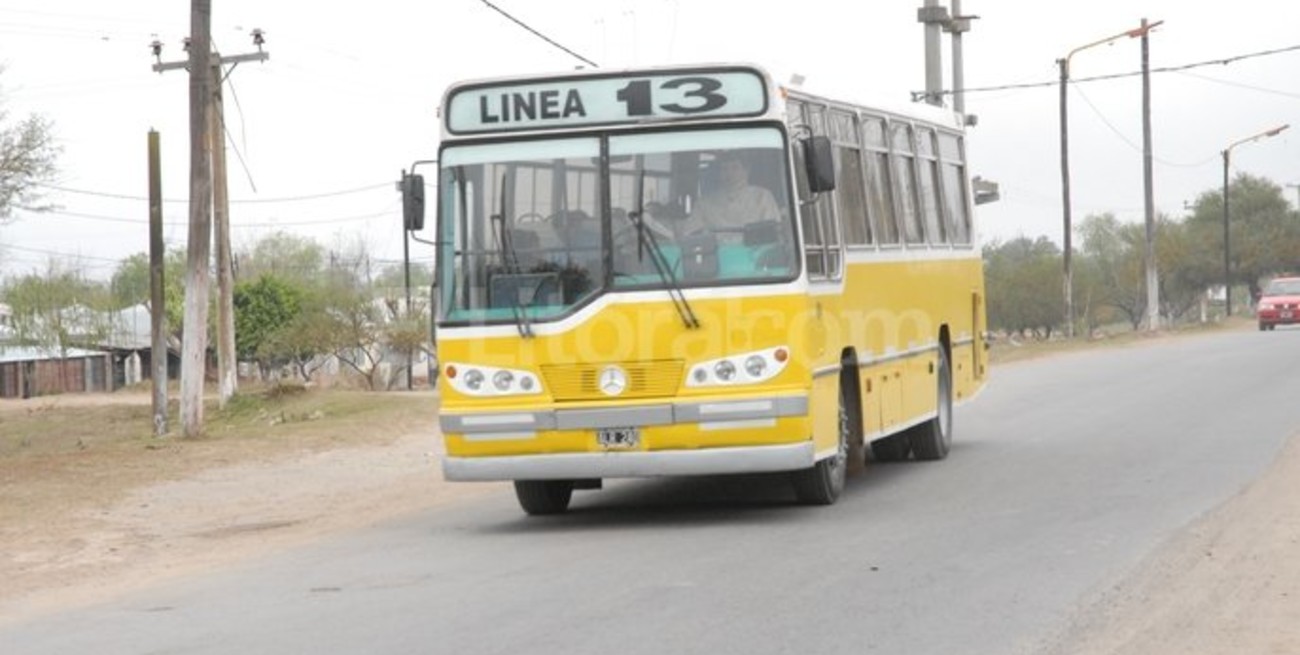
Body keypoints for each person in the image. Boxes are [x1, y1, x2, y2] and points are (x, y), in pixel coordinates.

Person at [683, 152, 780, 243]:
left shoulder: (762, 197)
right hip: (715, 253)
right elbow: (690, 234)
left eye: (735, 168)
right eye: (724, 168)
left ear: (746, 171)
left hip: (754, 252)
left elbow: (773, 233)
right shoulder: (704, 203)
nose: (729, 173)